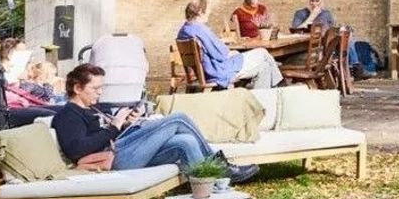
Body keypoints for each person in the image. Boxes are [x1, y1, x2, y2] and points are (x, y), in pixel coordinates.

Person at [53, 63, 258, 181]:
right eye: (95, 89)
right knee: (178, 118)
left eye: (101, 88)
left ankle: (212, 197)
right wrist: (114, 127)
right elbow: (77, 149)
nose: (100, 93)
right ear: (77, 88)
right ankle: (219, 165)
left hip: (122, 149)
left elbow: (105, 134)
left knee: (185, 141)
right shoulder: (67, 115)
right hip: (113, 160)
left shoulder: (90, 109)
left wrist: (125, 124)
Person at [177, 0, 281, 88]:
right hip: (219, 70)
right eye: (208, 10)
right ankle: (280, 84)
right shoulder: (200, 29)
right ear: (200, 11)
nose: (209, 12)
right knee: (263, 52)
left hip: (207, 71)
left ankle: (258, 100)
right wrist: (232, 53)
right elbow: (221, 54)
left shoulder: (184, 30)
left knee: (265, 68)